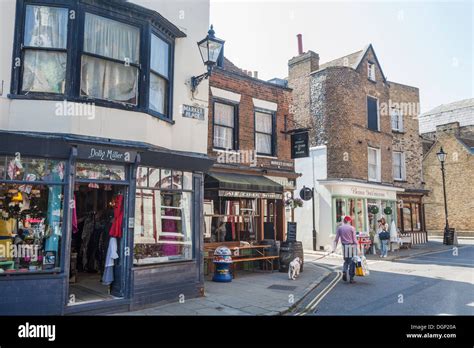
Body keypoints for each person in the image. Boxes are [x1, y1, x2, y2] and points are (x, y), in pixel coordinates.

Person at [334, 216, 358, 283]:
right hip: (351, 246)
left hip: (344, 246)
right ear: (349, 221)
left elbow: (336, 239)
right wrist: (358, 248)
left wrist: (334, 248)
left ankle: (344, 271)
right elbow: (354, 239)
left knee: (346, 261)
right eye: (350, 221)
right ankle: (351, 278)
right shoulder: (352, 228)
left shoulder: (340, 228)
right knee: (352, 262)